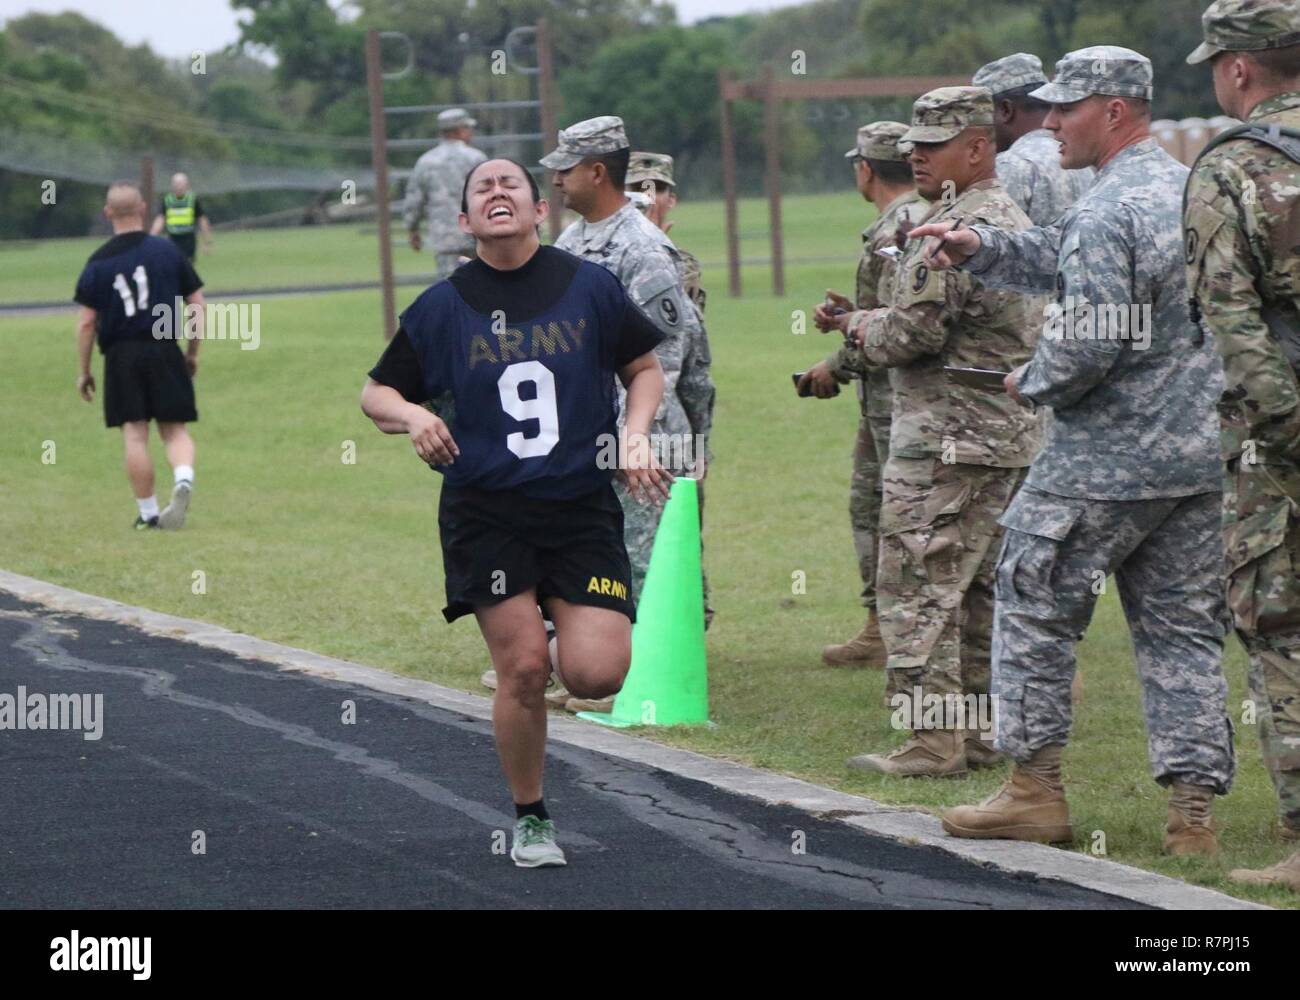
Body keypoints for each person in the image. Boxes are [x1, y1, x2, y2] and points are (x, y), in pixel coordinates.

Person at [917, 47, 1234, 853]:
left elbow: (1088, 345)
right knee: (1182, 632)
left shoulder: (1107, 210)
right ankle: (1192, 818)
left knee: (1031, 601)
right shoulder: (1184, 186)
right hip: (1198, 461)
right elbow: (1060, 254)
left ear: (1116, 111)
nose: (1047, 120)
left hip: (1104, 459)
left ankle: (1035, 791)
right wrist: (980, 248)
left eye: (1067, 108)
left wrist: (1036, 378)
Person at [361, 157, 670, 867]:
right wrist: (411, 416)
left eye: (511, 186)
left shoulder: (587, 286)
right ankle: (531, 816)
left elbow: (643, 370)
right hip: (488, 511)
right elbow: (374, 394)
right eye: (482, 189)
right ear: (466, 221)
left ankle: (561, 627)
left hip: (580, 506)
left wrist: (633, 434)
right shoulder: (442, 306)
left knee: (598, 676)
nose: (497, 193)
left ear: (538, 210)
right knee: (524, 671)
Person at [818, 89, 1044, 777]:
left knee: (917, 585)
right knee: (975, 593)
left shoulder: (954, 227)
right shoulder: (1006, 219)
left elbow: (912, 333)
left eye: (933, 143)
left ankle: (930, 740)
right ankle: (974, 733)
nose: (915, 155)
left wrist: (854, 324)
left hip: (946, 435)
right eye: (913, 143)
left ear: (978, 148)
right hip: (1000, 435)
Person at [1183, 0, 1300, 889]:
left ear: (1239, 69)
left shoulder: (1232, 168)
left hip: (1279, 443)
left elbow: (1231, 318)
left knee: (1281, 624)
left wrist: (1282, 430)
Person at [799, 122, 927, 669]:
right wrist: (849, 320)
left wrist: (834, 360)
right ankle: (882, 630)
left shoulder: (891, 233)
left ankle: (897, 633)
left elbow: (897, 332)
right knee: (880, 509)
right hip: (899, 400)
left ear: (866, 169)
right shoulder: (920, 219)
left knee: (889, 513)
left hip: (896, 405)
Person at [621, 150, 717, 654]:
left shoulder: (673, 265)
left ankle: (666, 647)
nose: (645, 199)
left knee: (660, 542)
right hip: (625, 424)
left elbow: (689, 364)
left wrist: (698, 439)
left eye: (654, 189)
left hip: (659, 424)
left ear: (670, 199)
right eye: (635, 188)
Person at [76, 181, 202, 530]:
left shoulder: (98, 261)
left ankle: (148, 514)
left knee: (134, 433)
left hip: (120, 353)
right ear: (143, 208)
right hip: (164, 345)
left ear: (108, 214)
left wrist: (84, 371)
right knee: (174, 430)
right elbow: (196, 304)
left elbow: (87, 323)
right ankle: (183, 478)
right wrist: (191, 352)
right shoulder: (167, 252)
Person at [972, 54, 1095, 227]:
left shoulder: (1011, 165)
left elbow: (986, 245)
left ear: (1006, 110)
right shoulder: (1081, 162)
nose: (981, 129)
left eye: (984, 116)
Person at [403, 108, 488, 279]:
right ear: (459, 130)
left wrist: (413, 229)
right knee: (482, 285)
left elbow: (414, 200)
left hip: (444, 237)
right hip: (478, 234)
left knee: (449, 288)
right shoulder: (476, 158)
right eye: (468, 128)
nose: (471, 133)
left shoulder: (426, 161)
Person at [149, 173, 212, 262]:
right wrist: (151, 237)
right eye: (176, 184)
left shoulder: (192, 199)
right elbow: (160, 219)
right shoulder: (167, 200)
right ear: (172, 185)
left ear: (187, 185)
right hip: (173, 239)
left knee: (187, 266)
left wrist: (207, 241)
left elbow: (202, 219)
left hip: (189, 240)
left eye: (181, 183)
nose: (179, 186)